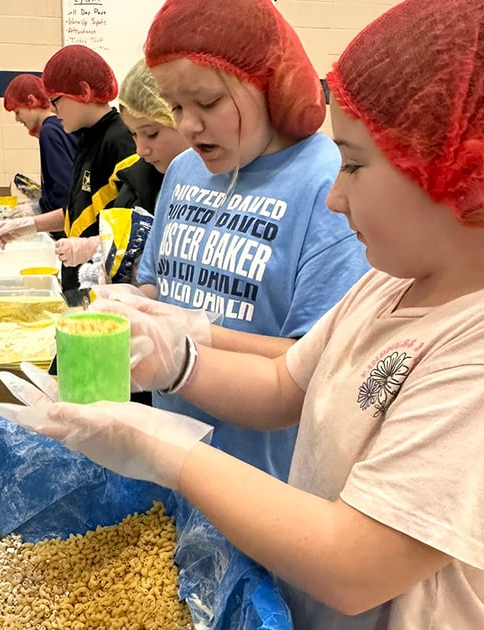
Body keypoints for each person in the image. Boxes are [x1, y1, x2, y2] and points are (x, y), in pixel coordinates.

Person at [0, 0, 484, 627]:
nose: (336, 196)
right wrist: (177, 361)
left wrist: (167, 455)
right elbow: (286, 382)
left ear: (464, 176)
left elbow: (354, 564)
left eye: (353, 164)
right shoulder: (396, 283)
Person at [131, 0, 369, 479]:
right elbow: (158, 284)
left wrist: (186, 339)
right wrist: (128, 313)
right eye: (175, 106)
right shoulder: (183, 170)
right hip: (173, 464)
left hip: (266, 483)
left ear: (272, 86)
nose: (188, 126)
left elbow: (318, 365)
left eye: (209, 103)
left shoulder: (326, 184)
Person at [0, 45, 135, 293]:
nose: (53, 110)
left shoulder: (119, 141)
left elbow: (134, 224)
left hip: (102, 284)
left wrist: (92, 246)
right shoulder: (85, 137)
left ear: (83, 92)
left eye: (56, 101)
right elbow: (80, 211)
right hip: (77, 278)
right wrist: (29, 226)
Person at [57, 57, 191, 286]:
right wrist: (99, 250)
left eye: (151, 133)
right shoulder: (139, 177)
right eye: (133, 135)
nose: (140, 149)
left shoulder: (199, 182)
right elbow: (124, 232)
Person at [3, 73, 77, 238]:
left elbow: (64, 190)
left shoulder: (49, 131)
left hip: (65, 229)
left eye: (17, 111)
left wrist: (37, 209)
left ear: (31, 101)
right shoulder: (59, 126)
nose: (17, 119)